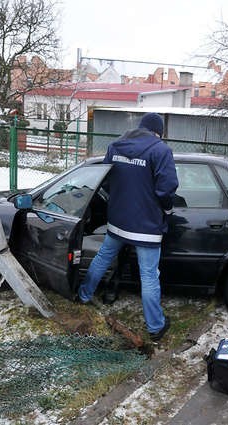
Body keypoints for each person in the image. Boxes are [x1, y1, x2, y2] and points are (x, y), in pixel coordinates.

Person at [77, 112, 178, 342]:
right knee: (150, 276)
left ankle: (83, 295)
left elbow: (106, 179)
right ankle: (155, 327)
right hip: (147, 226)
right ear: (157, 132)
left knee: (102, 257)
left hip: (119, 220)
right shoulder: (161, 151)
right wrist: (168, 210)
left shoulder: (116, 146)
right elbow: (167, 188)